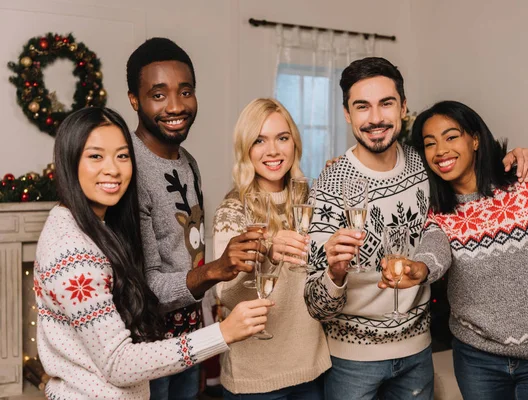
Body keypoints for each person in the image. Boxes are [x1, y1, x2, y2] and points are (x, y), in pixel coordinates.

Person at [303, 57, 528, 400]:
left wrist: (516, 156)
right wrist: (335, 273)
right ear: (346, 113)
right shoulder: (330, 183)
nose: (375, 118)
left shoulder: (425, 162)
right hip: (352, 363)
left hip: (418, 353)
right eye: (362, 106)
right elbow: (315, 304)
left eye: (386, 103)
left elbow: (472, 174)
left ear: (403, 106)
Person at [34, 107, 272, 399]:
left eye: (122, 155)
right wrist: (222, 334)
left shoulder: (93, 226)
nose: (113, 169)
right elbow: (118, 363)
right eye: (95, 156)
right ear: (70, 162)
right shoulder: (73, 252)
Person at [379, 100, 528, 400]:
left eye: (451, 136)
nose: (441, 150)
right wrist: (418, 270)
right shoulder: (437, 208)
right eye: (430, 143)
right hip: (476, 359)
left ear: (474, 138)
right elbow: (435, 250)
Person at [126, 38, 262, 398]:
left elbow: (189, 252)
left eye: (185, 91)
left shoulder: (189, 163)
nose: (175, 105)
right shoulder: (127, 168)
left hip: (191, 338)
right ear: (134, 100)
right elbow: (145, 285)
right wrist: (216, 269)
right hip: (147, 345)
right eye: (159, 94)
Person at [212, 98, 331, 399]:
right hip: (255, 379)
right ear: (245, 149)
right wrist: (263, 251)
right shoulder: (233, 209)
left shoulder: (311, 198)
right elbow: (225, 295)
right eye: (259, 140)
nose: (274, 151)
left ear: (295, 142)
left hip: (311, 368)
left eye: (282, 138)